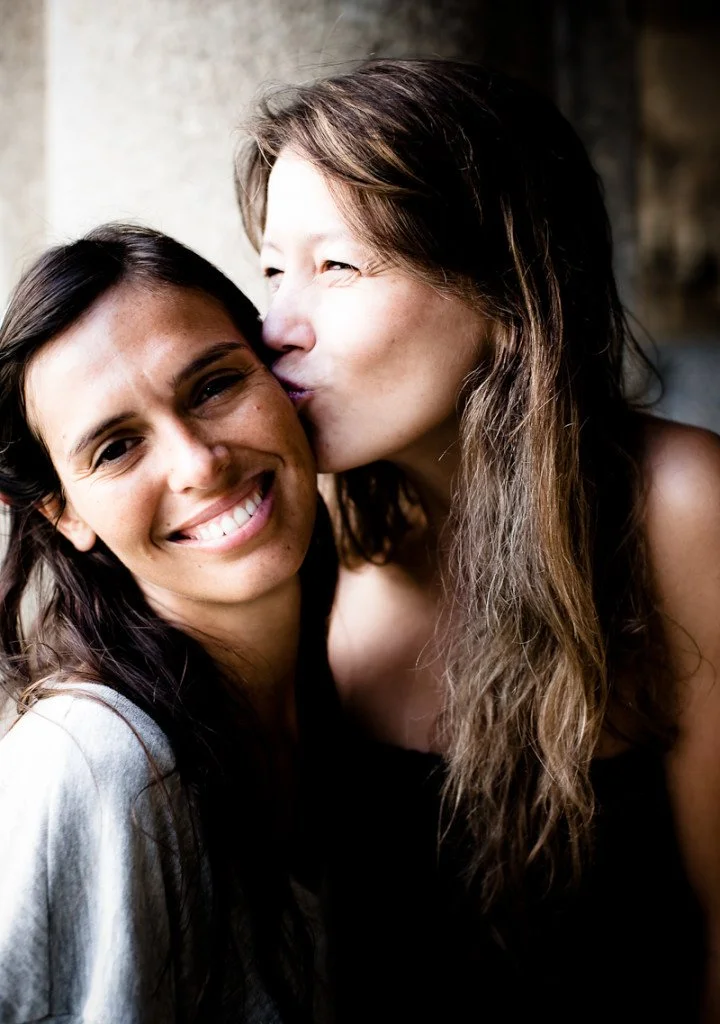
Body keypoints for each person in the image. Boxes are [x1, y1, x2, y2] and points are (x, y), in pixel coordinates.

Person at [237, 58, 720, 1022]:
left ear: (504, 296)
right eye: (272, 272)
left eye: (337, 266)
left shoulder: (677, 503)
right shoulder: (303, 520)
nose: (275, 326)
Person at [0, 224, 338, 1023]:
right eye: (116, 448)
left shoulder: (340, 684)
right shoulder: (98, 767)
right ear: (62, 510)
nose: (198, 464)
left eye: (215, 386)